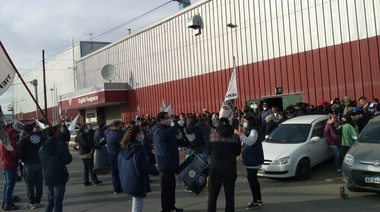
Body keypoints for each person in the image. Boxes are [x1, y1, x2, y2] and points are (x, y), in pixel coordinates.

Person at [118, 126, 159, 212]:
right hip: (137, 180)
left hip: (127, 179)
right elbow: (144, 167)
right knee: (137, 205)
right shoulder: (139, 149)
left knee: (136, 203)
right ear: (137, 135)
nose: (142, 135)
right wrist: (154, 168)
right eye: (141, 134)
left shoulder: (124, 148)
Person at [151, 111, 185, 212]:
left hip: (170, 162)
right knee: (166, 189)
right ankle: (166, 209)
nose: (169, 119)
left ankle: (171, 207)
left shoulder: (166, 129)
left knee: (171, 188)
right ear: (162, 120)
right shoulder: (158, 129)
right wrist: (177, 125)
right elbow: (164, 136)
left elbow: (172, 139)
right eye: (167, 118)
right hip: (165, 163)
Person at [206, 117, 241, 212]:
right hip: (230, 169)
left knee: (212, 195)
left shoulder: (212, 136)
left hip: (215, 169)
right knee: (230, 196)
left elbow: (208, 151)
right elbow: (238, 153)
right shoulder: (235, 137)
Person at [234, 114, 264, 209]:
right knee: (253, 179)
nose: (243, 123)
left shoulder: (254, 130)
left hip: (253, 159)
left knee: (252, 179)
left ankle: (255, 200)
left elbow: (250, 141)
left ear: (250, 122)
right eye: (242, 121)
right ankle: (258, 198)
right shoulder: (249, 130)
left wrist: (240, 134)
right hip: (249, 158)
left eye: (245, 121)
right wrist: (242, 132)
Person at [39, 127, 72, 212]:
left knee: (50, 199)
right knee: (57, 201)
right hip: (59, 176)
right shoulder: (59, 145)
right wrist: (65, 148)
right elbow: (68, 159)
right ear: (56, 133)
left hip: (47, 175)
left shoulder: (42, 147)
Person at [18, 124, 45, 209]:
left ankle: (32, 202)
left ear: (24, 131)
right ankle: (38, 201)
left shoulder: (24, 139)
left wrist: (25, 161)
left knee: (29, 184)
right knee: (39, 183)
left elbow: (21, 154)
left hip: (29, 164)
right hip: (40, 163)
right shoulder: (41, 137)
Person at [0, 128, 20, 211]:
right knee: (10, 186)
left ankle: (6, 202)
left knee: (6, 185)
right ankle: (7, 204)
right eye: (15, 133)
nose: (16, 135)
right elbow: (14, 155)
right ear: (11, 134)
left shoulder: (3, 142)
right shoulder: (11, 142)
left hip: (5, 165)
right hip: (10, 165)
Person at [106, 120, 124, 194]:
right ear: (118, 125)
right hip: (117, 155)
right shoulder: (118, 134)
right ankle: (121, 186)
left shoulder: (108, 133)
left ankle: (116, 188)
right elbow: (122, 145)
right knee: (121, 172)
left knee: (114, 173)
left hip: (110, 155)